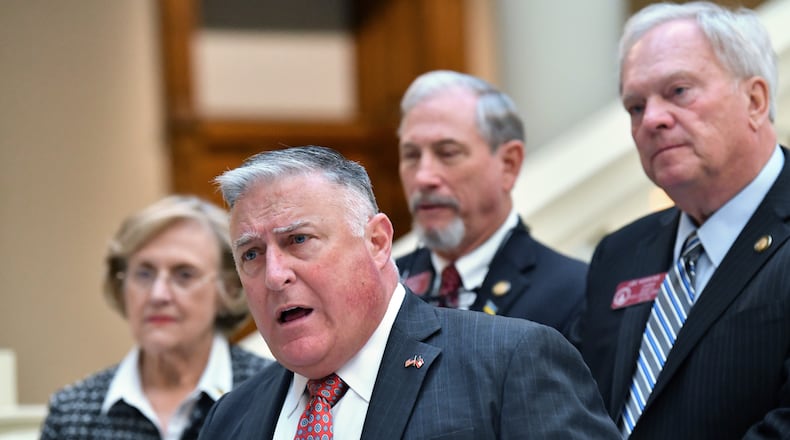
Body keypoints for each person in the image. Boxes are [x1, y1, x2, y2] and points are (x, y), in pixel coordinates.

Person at [197, 145, 619, 439]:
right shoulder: (230, 418)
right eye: (251, 254)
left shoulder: (510, 363)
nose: (274, 275)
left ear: (378, 242)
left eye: (299, 240)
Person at [576, 2, 790, 438]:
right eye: (635, 107)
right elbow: (576, 406)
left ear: (754, 100)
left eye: (678, 91)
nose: (652, 119)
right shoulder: (618, 255)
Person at [40, 195, 272, 439]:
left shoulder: (275, 394)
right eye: (144, 273)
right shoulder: (71, 412)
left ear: (230, 288)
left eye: (184, 274)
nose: (158, 295)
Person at [395, 69, 586, 338]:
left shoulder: (573, 291)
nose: (423, 177)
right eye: (411, 155)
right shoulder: (383, 286)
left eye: (447, 153)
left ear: (508, 164)